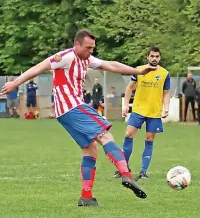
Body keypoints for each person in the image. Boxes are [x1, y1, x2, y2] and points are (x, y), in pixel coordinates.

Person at [1, 29, 158, 207]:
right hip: (72, 107)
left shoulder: (86, 59)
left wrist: (139, 72)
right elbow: (40, 67)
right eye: (88, 47)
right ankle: (126, 175)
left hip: (65, 112)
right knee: (105, 136)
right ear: (77, 44)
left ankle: (86, 197)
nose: (91, 51)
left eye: (93, 48)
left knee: (90, 149)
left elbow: (111, 65)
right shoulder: (65, 57)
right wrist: (15, 83)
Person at [113, 47, 170, 180]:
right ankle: (123, 169)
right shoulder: (139, 70)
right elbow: (130, 87)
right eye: (152, 56)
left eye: (157, 56)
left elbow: (166, 93)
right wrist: (125, 105)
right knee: (128, 134)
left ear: (159, 58)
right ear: (148, 57)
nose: (154, 58)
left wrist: (166, 107)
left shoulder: (164, 73)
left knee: (149, 139)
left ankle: (143, 172)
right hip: (138, 110)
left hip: (154, 112)